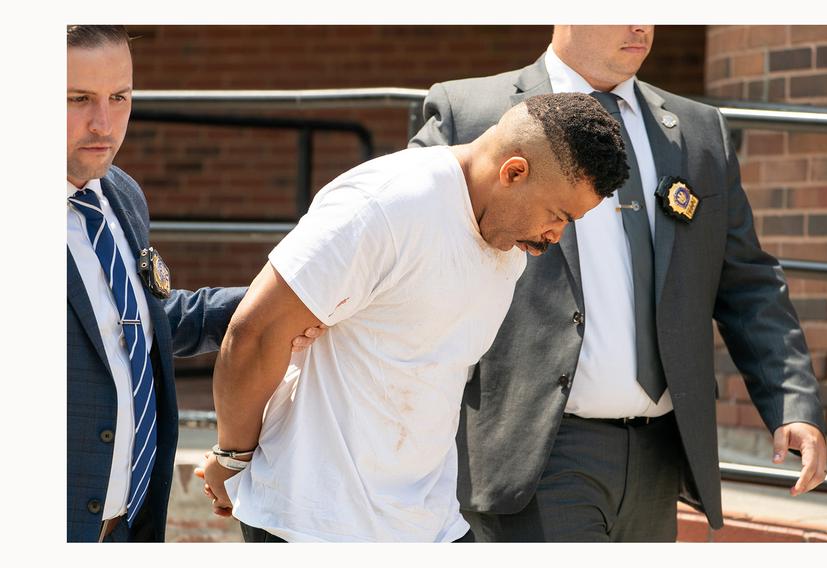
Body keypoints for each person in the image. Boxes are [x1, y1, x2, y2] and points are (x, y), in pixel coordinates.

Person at [408, 24, 827, 542]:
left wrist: (791, 403)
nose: (641, 25)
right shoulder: (470, 111)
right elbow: (408, 241)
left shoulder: (699, 131)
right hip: (533, 452)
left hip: (659, 459)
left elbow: (746, 281)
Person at [196, 92, 628, 542]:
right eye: (557, 215)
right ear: (514, 172)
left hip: (428, 523)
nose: (555, 236)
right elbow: (255, 332)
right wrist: (233, 456)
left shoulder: (508, 245)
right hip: (313, 522)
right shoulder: (386, 204)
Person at [66, 25, 317, 543]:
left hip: (128, 526)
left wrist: (280, 304)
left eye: (120, 97)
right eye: (77, 99)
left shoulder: (120, 194)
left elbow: (142, 323)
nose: (104, 123)